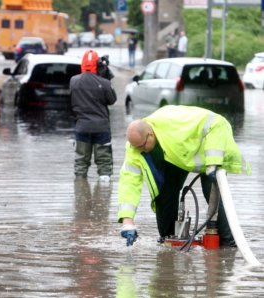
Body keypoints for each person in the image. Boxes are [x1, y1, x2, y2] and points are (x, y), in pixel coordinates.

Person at [118, 105, 251, 247]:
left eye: (142, 146)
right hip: (177, 157)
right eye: (136, 148)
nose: (140, 151)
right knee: (164, 193)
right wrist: (128, 222)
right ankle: (169, 239)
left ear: (150, 134)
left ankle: (229, 243)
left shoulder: (174, 124)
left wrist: (213, 163)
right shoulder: (135, 148)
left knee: (212, 194)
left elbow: (217, 123)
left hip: (211, 150)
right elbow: (129, 183)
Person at [70, 49, 117, 182]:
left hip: (82, 127)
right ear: (98, 65)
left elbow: (72, 101)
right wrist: (105, 76)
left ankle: (80, 190)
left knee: (81, 162)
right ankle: (104, 195)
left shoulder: (73, 81)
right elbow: (112, 100)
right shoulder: (104, 83)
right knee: (104, 163)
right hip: (101, 128)